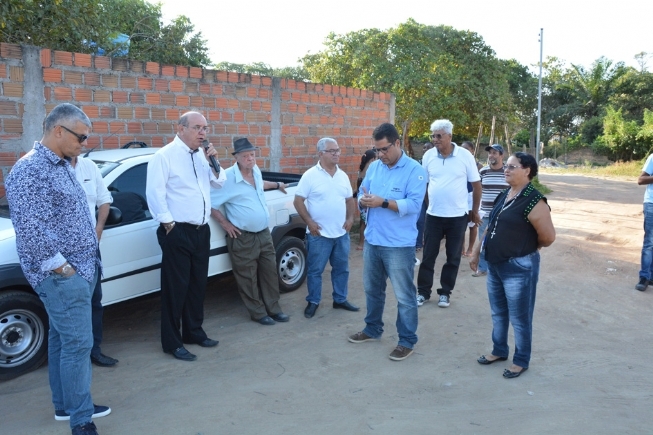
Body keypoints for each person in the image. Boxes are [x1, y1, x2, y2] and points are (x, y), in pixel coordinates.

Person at [6, 103, 110, 435]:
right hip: (62, 275)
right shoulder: (30, 169)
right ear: (58, 131)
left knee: (62, 339)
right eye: (81, 136)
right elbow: (31, 230)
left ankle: (67, 405)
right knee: (79, 344)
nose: (84, 142)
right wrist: (65, 270)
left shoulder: (62, 164)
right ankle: (81, 420)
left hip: (79, 268)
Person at [146, 111, 225, 362]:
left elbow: (220, 183)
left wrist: (214, 160)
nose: (203, 133)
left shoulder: (203, 156)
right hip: (178, 231)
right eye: (197, 127)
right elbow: (155, 194)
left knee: (197, 285)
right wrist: (169, 224)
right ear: (180, 128)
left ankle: (194, 332)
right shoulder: (164, 156)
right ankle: (172, 342)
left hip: (202, 230)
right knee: (175, 289)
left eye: (205, 128)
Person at [470, 152, 555, 379]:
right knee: (499, 313)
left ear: (527, 170)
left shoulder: (534, 200)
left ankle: (521, 360)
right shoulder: (505, 194)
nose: (506, 170)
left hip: (519, 267)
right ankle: (499, 350)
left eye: (512, 166)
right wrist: (476, 252)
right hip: (496, 265)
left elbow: (548, 237)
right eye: (506, 166)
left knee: (520, 317)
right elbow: (489, 226)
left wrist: (525, 245)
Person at [348, 123, 426, 361]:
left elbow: (414, 206)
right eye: (377, 150)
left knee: (404, 296)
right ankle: (372, 329)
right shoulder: (375, 168)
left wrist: (383, 202)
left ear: (397, 143)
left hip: (399, 245)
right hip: (373, 240)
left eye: (384, 149)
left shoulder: (415, 170)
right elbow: (362, 191)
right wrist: (363, 200)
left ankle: (406, 341)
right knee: (373, 290)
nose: (380, 155)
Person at [210, 138, 290, 325]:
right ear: (236, 158)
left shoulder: (255, 171)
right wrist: (225, 224)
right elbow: (210, 204)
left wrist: (278, 185)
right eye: (245, 156)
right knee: (247, 277)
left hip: (264, 233)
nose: (250, 158)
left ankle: (274, 309)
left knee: (270, 273)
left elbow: (260, 185)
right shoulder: (227, 178)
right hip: (242, 237)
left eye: (252, 154)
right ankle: (258, 313)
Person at [416, 119, 481, 308]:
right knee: (428, 255)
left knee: (453, 257)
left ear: (449, 136)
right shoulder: (428, 156)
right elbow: (424, 184)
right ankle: (423, 292)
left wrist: (473, 211)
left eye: (439, 136)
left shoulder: (465, 156)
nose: (435, 139)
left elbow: (477, 185)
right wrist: (430, 205)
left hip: (457, 217)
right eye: (433, 136)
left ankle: (445, 293)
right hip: (434, 216)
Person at [294, 138, 357, 319]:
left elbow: (349, 199)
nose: (336, 153)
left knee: (342, 269)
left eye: (338, 150)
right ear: (321, 153)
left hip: (341, 233)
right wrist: (309, 222)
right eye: (332, 151)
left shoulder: (342, 175)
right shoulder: (310, 176)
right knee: (315, 271)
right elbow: (298, 201)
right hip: (319, 234)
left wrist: (351, 218)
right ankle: (313, 301)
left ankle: (340, 299)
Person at [70, 155, 118, 367]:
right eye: (80, 136)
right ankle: (72, 356)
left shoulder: (88, 166)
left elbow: (104, 200)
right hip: (65, 253)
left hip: (90, 250)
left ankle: (94, 350)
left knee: (93, 302)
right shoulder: (51, 169)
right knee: (71, 306)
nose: (83, 141)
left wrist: (98, 228)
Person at [472, 144, 508, 277]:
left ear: (501, 155)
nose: (491, 155)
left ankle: (502, 267)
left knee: (503, 241)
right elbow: (476, 190)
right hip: (485, 213)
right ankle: (482, 268)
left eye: (494, 153)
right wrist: (475, 211)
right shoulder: (483, 172)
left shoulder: (507, 171)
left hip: (503, 214)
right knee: (483, 241)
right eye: (490, 153)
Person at [460, 141, 481, 257]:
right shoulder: (458, 163)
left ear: (472, 150)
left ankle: (470, 248)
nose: (464, 151)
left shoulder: (478, 165)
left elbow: (479, 185)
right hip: (462, 195)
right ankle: (461, 247)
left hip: (473, 195)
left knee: (472, 223)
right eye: (462, 148)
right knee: (461, 223)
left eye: (467, 149)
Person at [636, 154, 653, 291]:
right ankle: (644, 276)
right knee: (650, 242)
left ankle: (651, 276)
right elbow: (641, 179)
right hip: (652, 204)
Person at [356, 149, 377, 250]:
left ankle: (361, 243)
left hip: (362, 197)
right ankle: (363, 242)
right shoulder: (371, 168)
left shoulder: (360, 169)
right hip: (367, 197)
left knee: (362, 221)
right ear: (372, 158)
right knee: (365, 222)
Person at [415, 142, 434, 252]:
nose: (425, 149)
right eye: (424, 147)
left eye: (428, 148)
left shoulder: (436, 163)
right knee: (420, 220)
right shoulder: (418, 164)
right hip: (421, 196)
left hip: (432, 197)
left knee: (430, 221)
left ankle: (428, 241)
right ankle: (418, 243)